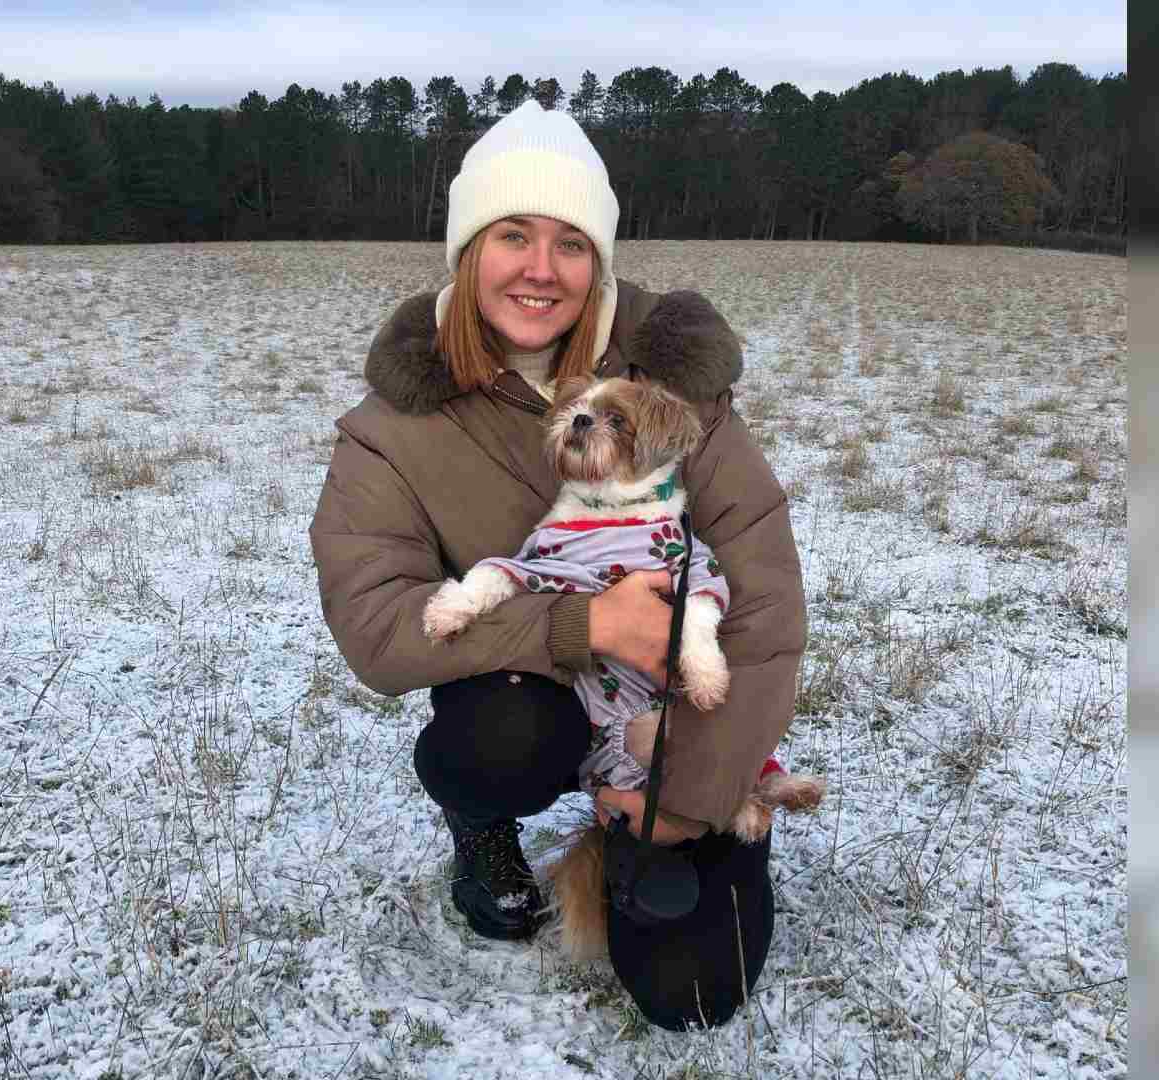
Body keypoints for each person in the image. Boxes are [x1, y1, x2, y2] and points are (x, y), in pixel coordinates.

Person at [308, 100, 806, 1031]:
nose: (541, 269)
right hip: (528, 694)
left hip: (672, 718)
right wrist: (583, 627)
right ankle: (484, 826)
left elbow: (765, 595)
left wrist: (678, 794)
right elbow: (378, 627)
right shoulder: (391, 428)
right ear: (467, 250)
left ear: (599, 260)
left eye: (571, 242)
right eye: (512, 234)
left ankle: (636, 830)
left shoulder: (669, 378)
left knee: (691, 994)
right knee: (489, 740)